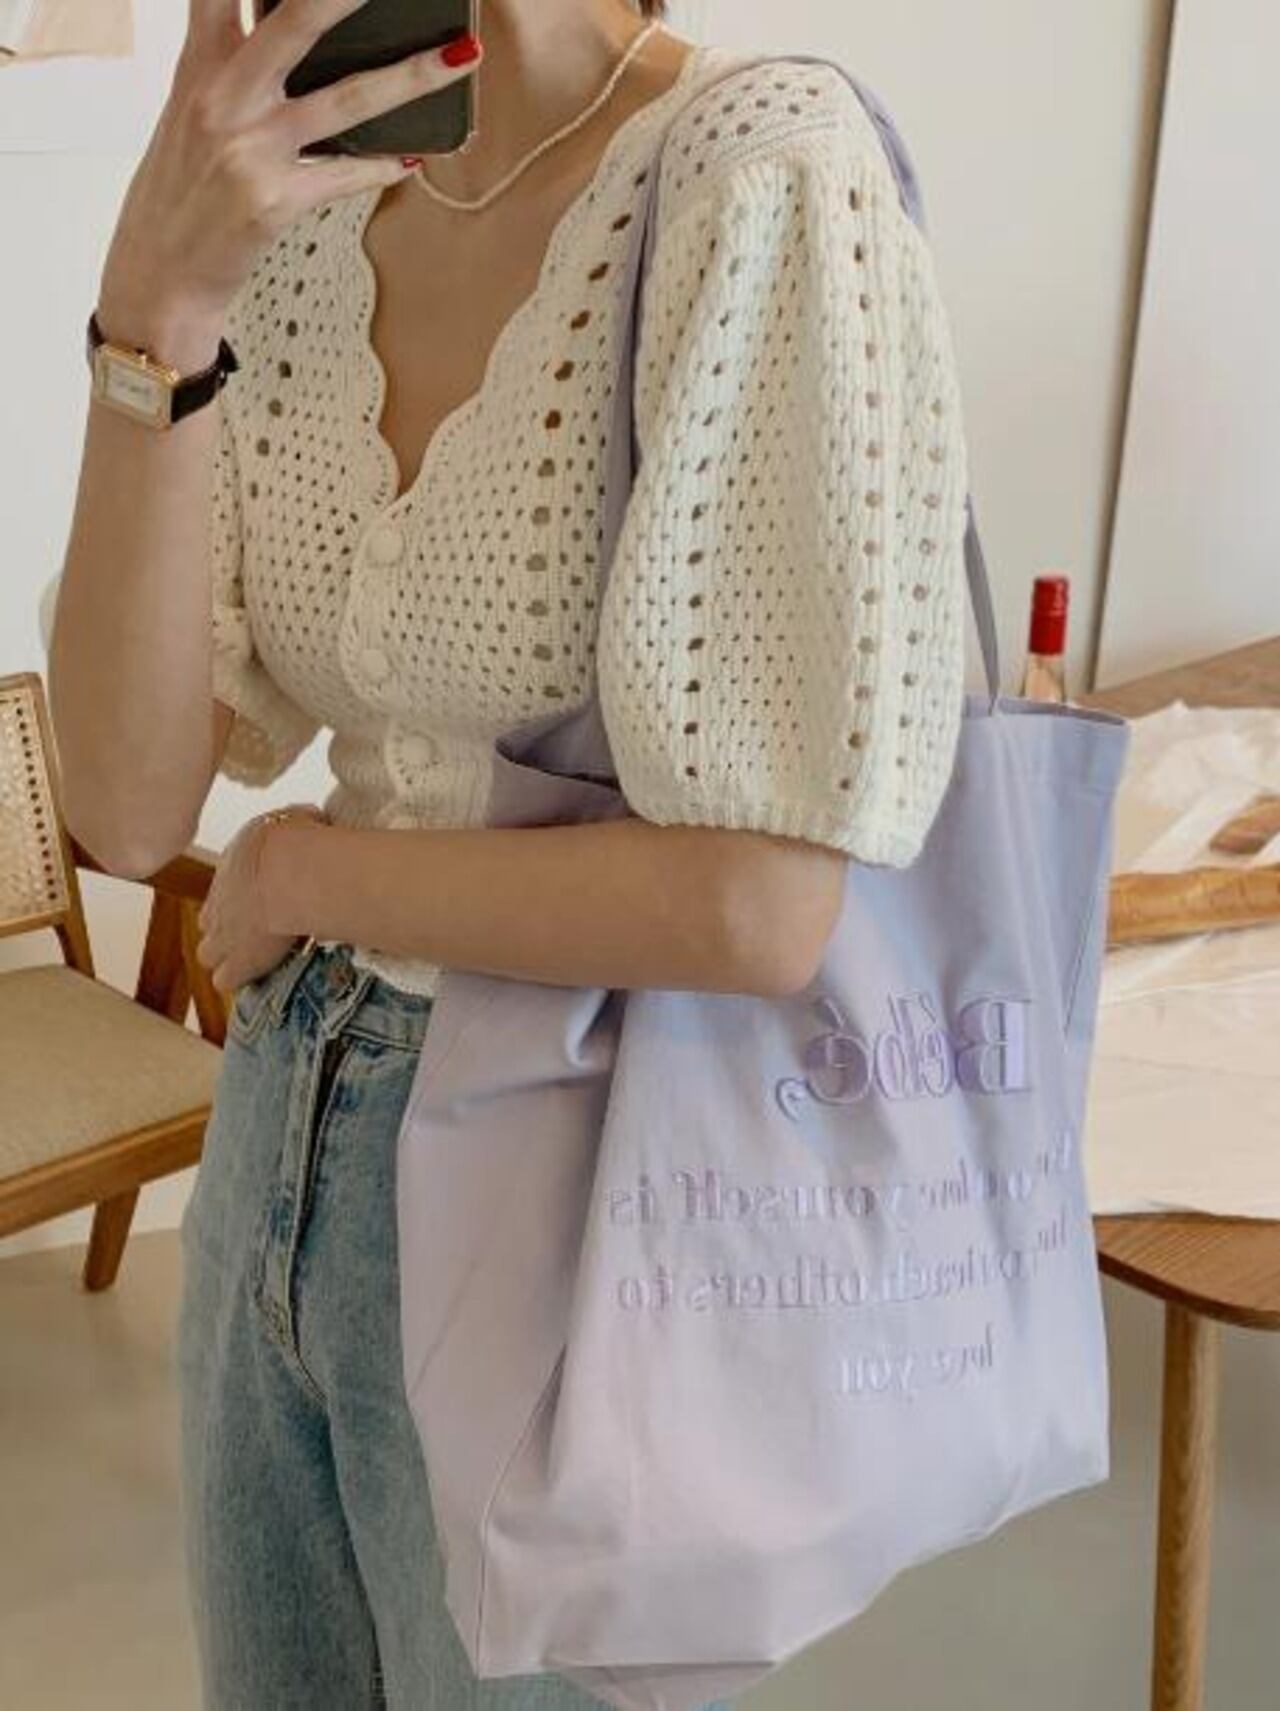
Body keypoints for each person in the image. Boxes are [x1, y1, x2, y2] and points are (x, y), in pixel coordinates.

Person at [42, 0, 971, 1703]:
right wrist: (152, 314)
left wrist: (314, 876)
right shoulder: (303, 210)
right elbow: (121, 800)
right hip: (280, 1126)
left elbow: (762, 904)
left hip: (588, 1182)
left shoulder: (757, 172)